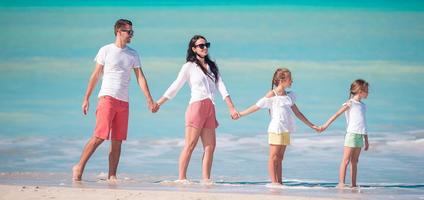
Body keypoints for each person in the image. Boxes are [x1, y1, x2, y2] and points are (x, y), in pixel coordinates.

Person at [72, 19, 158, 181]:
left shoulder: (133, 53)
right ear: (119, 31)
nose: (131, 34)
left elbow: (140, 77)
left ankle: (112, 175)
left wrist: (149, 99)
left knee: (117, 141)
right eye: (128, 32)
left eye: (132, 32)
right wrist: (86, 98)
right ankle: (79, 166)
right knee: (100, 136)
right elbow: (96, 75)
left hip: (123, 102)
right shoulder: (106, 50)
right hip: (107, 97)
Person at [156, 35, 239, 183]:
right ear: (194, 49)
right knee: (190, 145)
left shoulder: (212, 66)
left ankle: (206, 179)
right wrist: (159, 103)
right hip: (196, 107)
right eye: (201, 45)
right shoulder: (189, 67)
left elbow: (222, 87)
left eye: (206, 44)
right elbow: (175, 86)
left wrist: (231, 108)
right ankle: (181, 178)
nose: (205, 47)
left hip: (210, 108)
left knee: (210, 146)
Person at [236, 68, 319, 186]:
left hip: (286, 130)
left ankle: (279, 182)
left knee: (280, 158)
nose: (292, 81)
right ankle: (273, 182)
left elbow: (298, 113)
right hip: (276, 129)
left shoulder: (290, 95)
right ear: (281, 80)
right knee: (273, 157)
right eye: (290, 79)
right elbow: (257, 106)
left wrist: (312, 126)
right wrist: (240, 114)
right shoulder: (272, 94)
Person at [319, 79, 369, 188]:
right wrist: (325, 125)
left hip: (360, 136)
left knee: (355, 161)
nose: (368, 92)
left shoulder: (363, 105)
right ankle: (341, 183)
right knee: (346, 160)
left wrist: (366, 139)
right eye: (366, 90)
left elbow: (363, 123)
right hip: (351, 134)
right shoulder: (350, 103)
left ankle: (353, 184)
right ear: (360, 91)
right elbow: (337, 114)